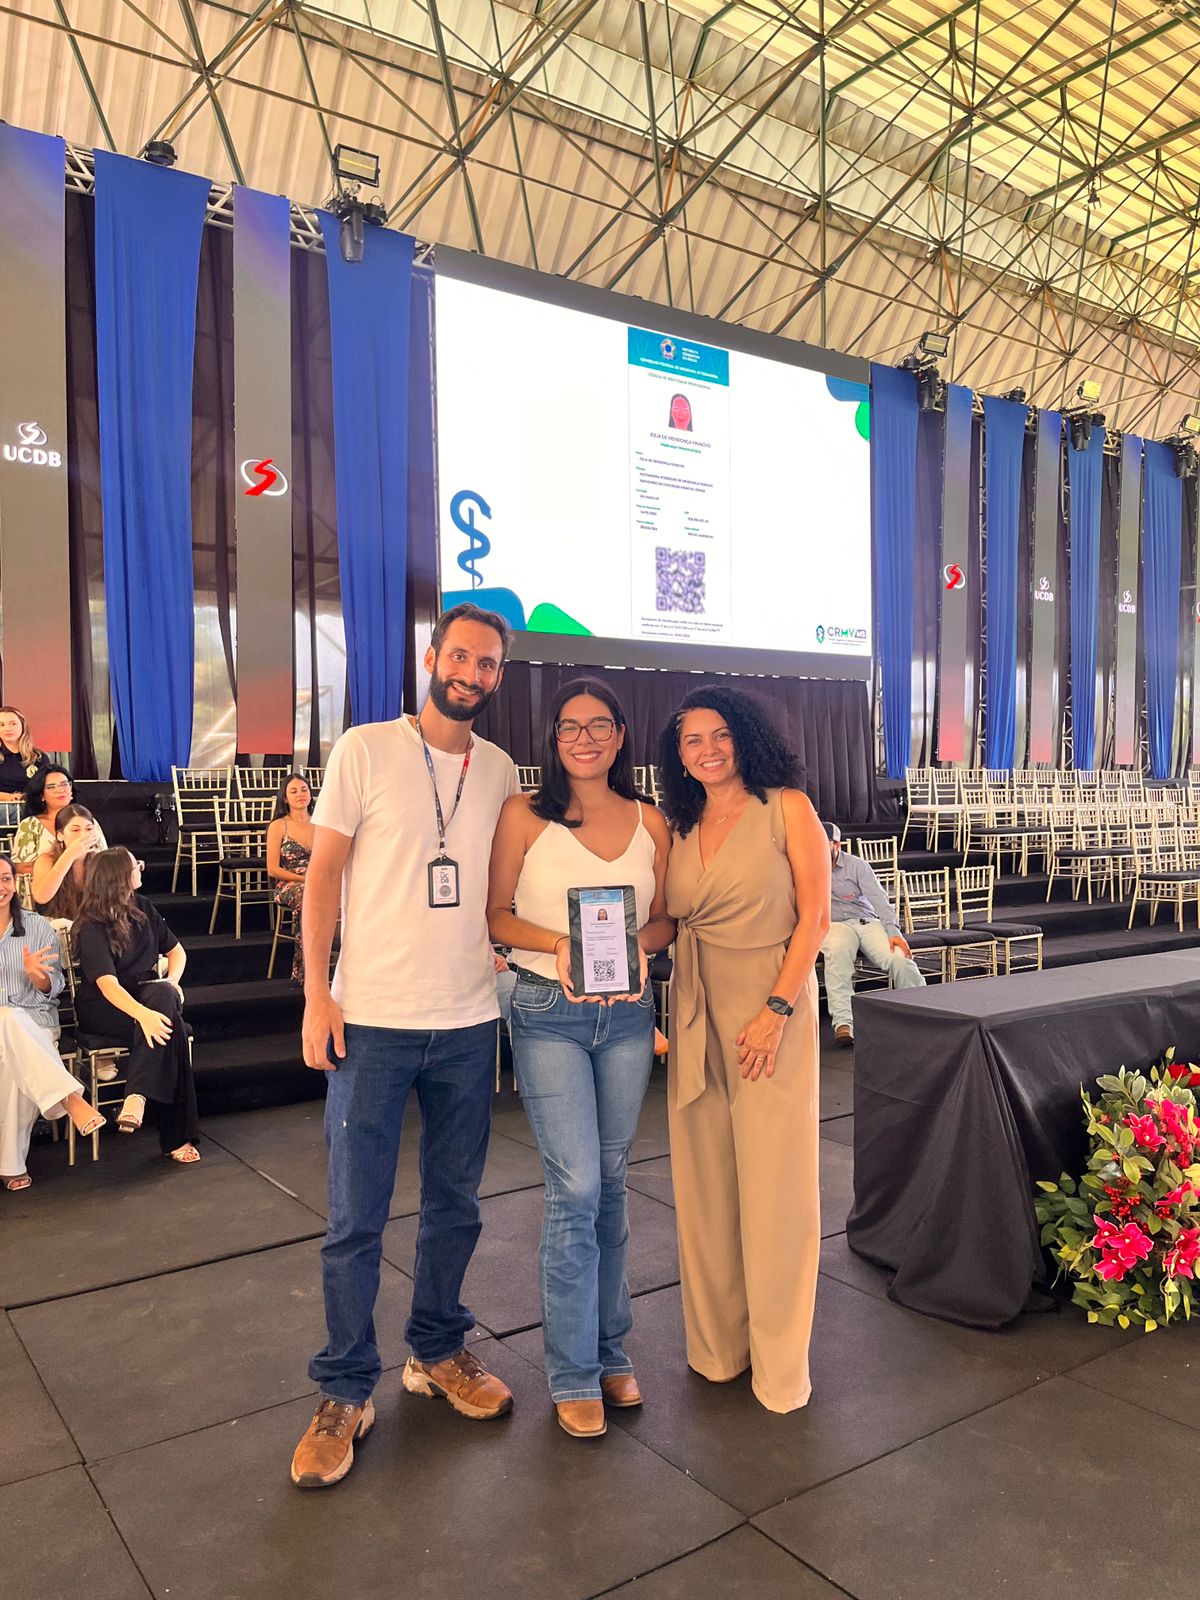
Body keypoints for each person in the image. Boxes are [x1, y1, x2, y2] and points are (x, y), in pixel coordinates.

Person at [290, 602, 521, 1491]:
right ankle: (345, 1390)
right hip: (372, 1020)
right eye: (459, 655)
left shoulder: (498, 770)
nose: (471, 672)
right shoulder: (365, 749)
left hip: (467, 1020)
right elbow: (323, 876)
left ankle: (436, 1350)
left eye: (487, 663)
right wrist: (318, 993)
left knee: (455, 1204)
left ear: (498, 675)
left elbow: (501, 887)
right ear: (432, 658)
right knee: (356, 1217)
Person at [487, 678, 674, 1439]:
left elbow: (664, 920)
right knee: (576, 1187)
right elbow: (495, 915)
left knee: (613, 1186)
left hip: (627, 1016)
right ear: (554, 737)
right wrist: (560, 944)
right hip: (547, 1014)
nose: (585, 738)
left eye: (599, 726)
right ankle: (571, 1371)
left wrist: (637, 947)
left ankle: (610, 1350)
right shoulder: (523, 815)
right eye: (570, 726)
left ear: (621, 735)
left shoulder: (651, 821)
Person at [658, 685, 829, 1414]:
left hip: (769, 1009)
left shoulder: (788, 807)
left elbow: (816, 917)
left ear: (746, 737)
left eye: (720, 735)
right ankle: (719, 1350)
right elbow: (664, 923)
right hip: (696, 1008)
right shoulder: (680, 824)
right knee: (705, 1185)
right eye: (692, 740)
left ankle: (781, 1369)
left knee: (776, 1188)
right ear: (678, 755)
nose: (707, 750)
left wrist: (778, 1010)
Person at [73, 848, 200, 1165]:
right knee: (170, 1028)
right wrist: (144, 1016)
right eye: (135, 865)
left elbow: (177, 952)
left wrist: (172, 981)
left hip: (147, 996)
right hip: (104, 1006)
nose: (141, 868)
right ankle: (176, 1136)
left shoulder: (143, 906)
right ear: (118, 876)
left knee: (165, 997)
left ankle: (136, 1096)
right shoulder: (91, 923)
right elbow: (107, 985)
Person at [0, 855, 104, 1190]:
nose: (1, 887)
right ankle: (69, 1098)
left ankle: (11, 1164)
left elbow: (55, 986)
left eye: (5, 878)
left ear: (14, 883)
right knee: (6, 1019)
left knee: (12, 1051)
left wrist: (39, 978)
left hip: (35, 1023)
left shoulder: (37, 927)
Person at [820, 822, 924, 1047]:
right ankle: (843, 1024)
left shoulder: (856, 865)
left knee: (899, 957)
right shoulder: (806, 865)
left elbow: (879, 898)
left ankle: (924, 1010)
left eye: (823, 843)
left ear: (836, 845)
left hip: (866, 921)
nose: (817, 847)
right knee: (837, 957)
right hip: (833, 925)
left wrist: (893, 931)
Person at [13, 768, 107, 909]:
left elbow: (104, 857)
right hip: (45, 897)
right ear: (42, 795)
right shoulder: (30, 825)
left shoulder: (89, 821)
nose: (60, 790)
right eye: (51, 787)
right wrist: (62, 871)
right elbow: (21, 868)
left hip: (90, 893)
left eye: (64, 784)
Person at [266, 773, 314, 984]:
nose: (300, 794)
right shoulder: (279, 825)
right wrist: (305, 880)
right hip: (290, 883)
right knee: (307, 896)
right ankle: (306, 968)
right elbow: (273, 869)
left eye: (304, 790)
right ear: (285, 798)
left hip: (319, 881)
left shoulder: (322, 823)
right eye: (293, 791)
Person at [32, 804, 104, 920]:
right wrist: (69, 855)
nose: (84, 835)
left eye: (89, 829)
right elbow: (41, 897)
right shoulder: (46, 860)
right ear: (60, 835)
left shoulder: (100, 861)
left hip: (90, 924)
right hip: (53, 924)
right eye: (75, 830)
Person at [0, 706, 48, 803]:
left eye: (13, 724)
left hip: (33, 808)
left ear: (23, 726)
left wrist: (27, 797)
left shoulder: (39, 757)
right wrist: (7, 797)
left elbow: (47, 787)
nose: (7, 728)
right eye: (2, 725)